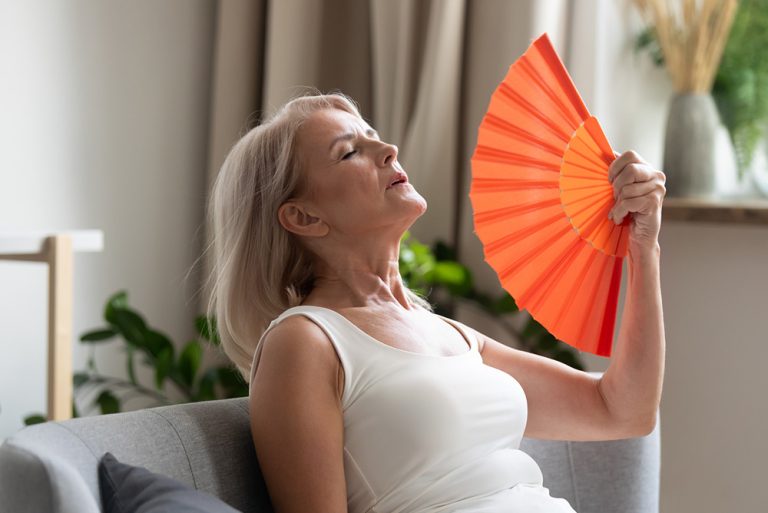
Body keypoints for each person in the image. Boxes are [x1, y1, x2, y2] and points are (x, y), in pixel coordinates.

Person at [206, 92, 666, 513]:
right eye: (350, 153)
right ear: (304, 216)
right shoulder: (306, 342)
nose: (388, 151)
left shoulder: (449, 335)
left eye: (374, 137)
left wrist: (644, 248)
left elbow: (622, 410)